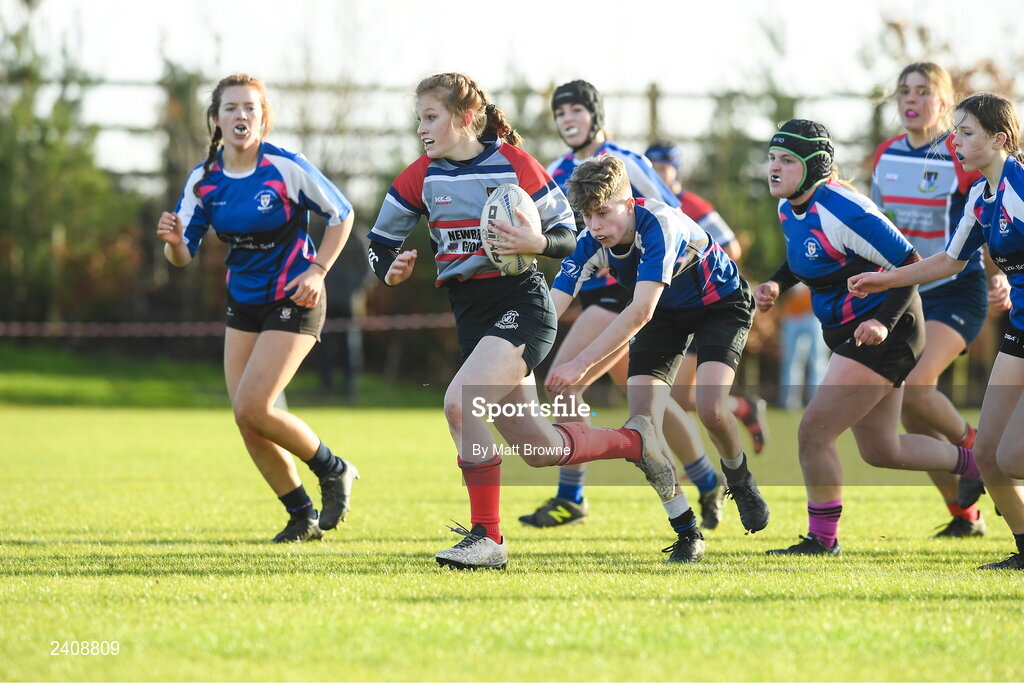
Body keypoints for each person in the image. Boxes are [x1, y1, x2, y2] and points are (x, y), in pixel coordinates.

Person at [366, 72, 680, 570]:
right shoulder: (419, 175)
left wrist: (535, 244)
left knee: (459, 403)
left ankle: (487, 539)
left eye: (431, 117)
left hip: (523, 307)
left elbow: (569, 235)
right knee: (539, 448)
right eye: (419, 119)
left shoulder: (515, 164)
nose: (422, 128)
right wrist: (390, 269)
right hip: (472, 315)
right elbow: (380, 243)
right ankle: (634, 442)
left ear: (466, 117)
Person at [755, 119, 983, 556]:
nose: (774, 168)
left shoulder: (844, 208)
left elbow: (909, 263)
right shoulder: (790, 206)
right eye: (772, 159)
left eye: (787, 160)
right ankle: (976, 463)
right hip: (854, 333)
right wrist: (776, 284)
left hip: (886, 332)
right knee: (882, 449)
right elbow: (804, 259)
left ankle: (822, 541)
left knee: (812, 433)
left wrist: (882, 321)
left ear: (815, 167)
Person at [156, 74, 358, 543]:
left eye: (251, 108)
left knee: (253, 404)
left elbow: (341, 214)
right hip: (244, 303)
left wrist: (319, 270)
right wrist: (171, 244)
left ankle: (334, 468)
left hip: (296, 296)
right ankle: (301, 515)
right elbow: (182, 254)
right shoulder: (204, 180)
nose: (241, 115)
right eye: (231, 108)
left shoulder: (284, 167)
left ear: (263, 119)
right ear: (215, 120)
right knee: (246, 418)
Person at [519, 81, 725, 532]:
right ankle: (707, 480)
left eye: (576, 110)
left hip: (633, 292)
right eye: (559, 113)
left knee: (566, 379)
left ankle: (571, 496)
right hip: (590, 289)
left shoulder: (627, 163)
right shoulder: (556, 170)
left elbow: (669, 219)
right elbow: (561, 237)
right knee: (651, 401)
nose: (567, 119)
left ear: (596, 115)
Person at [547, 155, 772, 562]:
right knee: (642, 431)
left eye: (602, 213)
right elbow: (552, 306)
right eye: (586, 215)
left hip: (721, 305)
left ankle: (738, 479)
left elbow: (638, 312)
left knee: (709, 407)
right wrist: (513, 354)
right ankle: (687, 530)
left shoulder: (660, 225)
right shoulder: (590, 242)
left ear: (629, 202)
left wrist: (579, 364)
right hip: (667, 314)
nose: (595, 225)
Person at [850, 94, 1024, 570]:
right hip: (1019, 332)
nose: (955, 140)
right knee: (986, 456)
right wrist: (885, 278)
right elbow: (949, 260)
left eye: (966, 132)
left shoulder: (1020, 188)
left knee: (1011, 458)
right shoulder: (980, 197)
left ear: (998, 139)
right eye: (955, 131)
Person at [872, 63, 993, 538]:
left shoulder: (959, 157)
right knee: (908, 409)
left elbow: (986, 218)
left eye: (924, 92)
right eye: (905, 90)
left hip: (956, 290)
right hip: (909, 292)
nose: (912, 99)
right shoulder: (885, 155)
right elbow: (878, 225)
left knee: (917, 385)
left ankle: (977, 453)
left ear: (944, 104)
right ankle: (965, 516)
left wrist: (1001, 271)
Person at [645, 140, 770, 454]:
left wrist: (694, 268)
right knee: (683, 399)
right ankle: (742, 407)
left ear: (677, 171)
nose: (658, 176)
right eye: (652, 170)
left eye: (663, 169)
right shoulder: (643, 209)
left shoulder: (690, 204)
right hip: (671, 312)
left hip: (705, 307)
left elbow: (731, 247)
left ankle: (696, 466)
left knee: (681, 399)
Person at [776, 284, 828, 410]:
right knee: (790, 361)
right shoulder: (792, 265)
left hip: (814, 315)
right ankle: (789, 402)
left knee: (817, 360)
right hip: (792, 315)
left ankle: (817, 402)